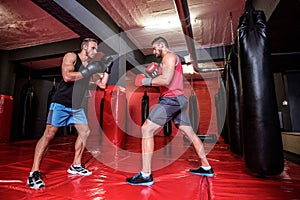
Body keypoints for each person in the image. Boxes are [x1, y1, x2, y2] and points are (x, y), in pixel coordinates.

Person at [126, 36, 214, 186]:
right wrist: (156, 74)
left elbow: (166, 80)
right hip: (178, 99)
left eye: (155, 48)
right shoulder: (167, 61)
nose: (154, 52)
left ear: (162, 45)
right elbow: (165, 81)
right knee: (190, 133)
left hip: (171, 100)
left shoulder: (169, 57)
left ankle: (145, 175)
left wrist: (144, 81)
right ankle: (206, 167)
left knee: (146, 129)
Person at [27, 38, 113, 189]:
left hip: (77, 107)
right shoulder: (71, 56)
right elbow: (67, 77)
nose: (95, 51)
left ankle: (76, 165)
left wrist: (107, 69)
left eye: (96, 49)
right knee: (48, 135)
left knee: (85, 132)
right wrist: (88, 71)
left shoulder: (90, 66)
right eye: (93, 48)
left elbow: (102, 84)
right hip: (61, 103)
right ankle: (34, 172)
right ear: (84, 47)